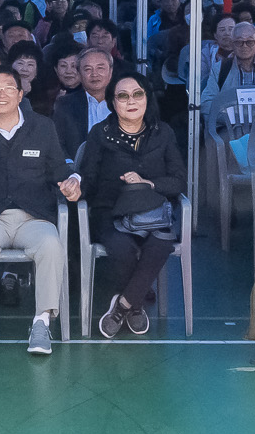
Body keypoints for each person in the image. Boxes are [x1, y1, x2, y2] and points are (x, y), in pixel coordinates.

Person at [0, 62, 82, 357]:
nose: (2, 94)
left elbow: (60, 171)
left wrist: (73, 182)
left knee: (51, 244)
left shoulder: (43, 127)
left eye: (9, 87)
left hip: (33, 216)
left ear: (21, 93)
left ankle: (41, 322)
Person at [77, 70, 187, 339]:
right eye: (123, 96)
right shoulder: (100, 134)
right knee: (121, 246)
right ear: (112, 103)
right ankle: (136, 306)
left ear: (147, 98)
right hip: (110, 210)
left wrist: (148, 184)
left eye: (137, 94)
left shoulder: (163, 133)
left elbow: (178, 181)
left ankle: (122, 306)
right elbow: (88, 179)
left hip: (153, 212)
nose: (131, 101)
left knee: (159, 244)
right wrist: (75, 187)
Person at [55, 45, 119, 155]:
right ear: (79, 74)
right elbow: (58, 144)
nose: (94, 74)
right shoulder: (65, 104)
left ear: (111, 71)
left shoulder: (125, 102)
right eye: (88, 69)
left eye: (100, 68)